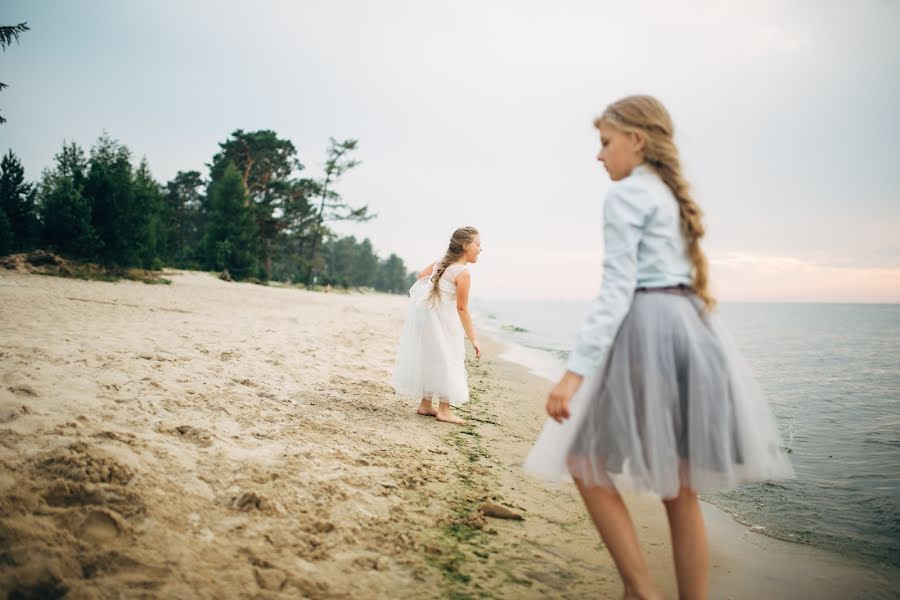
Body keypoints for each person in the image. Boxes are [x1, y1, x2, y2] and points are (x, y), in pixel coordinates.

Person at [524, 95, 793, 600]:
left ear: (636, 140)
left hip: (648, 329)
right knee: (680, 488)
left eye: (605, 143)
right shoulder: (670, 196)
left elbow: (615, 291)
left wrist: (573, 373)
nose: (599, 156)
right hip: (693, 329)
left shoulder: (625, 196)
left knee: (584, 462)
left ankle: (641, 590)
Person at [391, 226, 482, 425]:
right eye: (477, 244)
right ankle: (444, 410)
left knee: (433, 358)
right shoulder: (463, 273)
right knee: (448, 358)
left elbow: (420, 276)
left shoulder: (442, 264)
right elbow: (462, 309)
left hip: (428, 318)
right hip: (443, 321)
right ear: (466, 246)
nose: (480, 249)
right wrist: (474, 339)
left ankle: (425, 404)